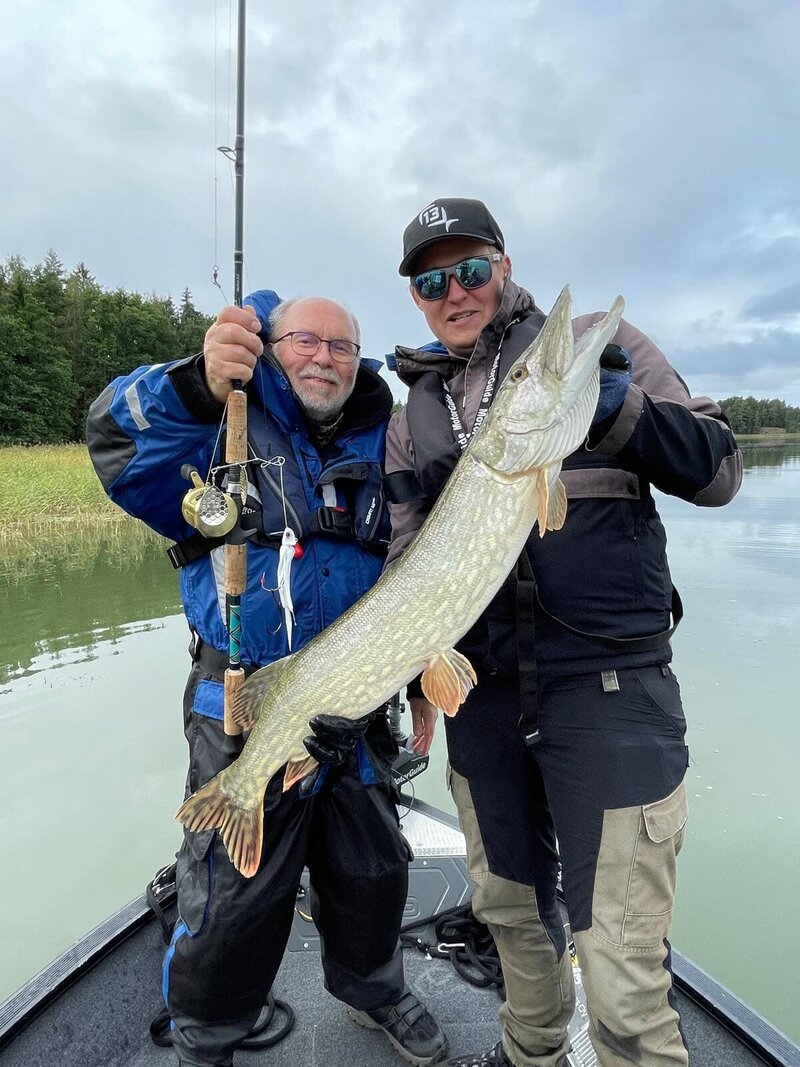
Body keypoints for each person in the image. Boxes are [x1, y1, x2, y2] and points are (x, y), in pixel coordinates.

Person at [384, 197, 743, 1067]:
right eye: (433, 282)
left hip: (611, 695)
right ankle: (530, 1051)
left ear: (503, 267)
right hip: (484, 703)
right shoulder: (413, 419)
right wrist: (388, 683)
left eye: (471, 269)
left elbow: (721, 471)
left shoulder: (598, 350)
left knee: (620, 959)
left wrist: (623, 410)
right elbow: (405, 572)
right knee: (509, 909)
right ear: (419, 299)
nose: (455, 291)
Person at [86, 292, 448, 1067]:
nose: (324, 357)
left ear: (361, 360)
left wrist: (417, 683)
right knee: (230, 897)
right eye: (306, 341)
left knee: (373, 868)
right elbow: (112, 441)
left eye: (343, 347)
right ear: (273, 347)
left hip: (356, 696)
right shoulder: (217, 425)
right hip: (242, 700)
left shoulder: (386, 442)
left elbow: (422, 569)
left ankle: (373, 988)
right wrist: (193, 383)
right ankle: (209, 1032)